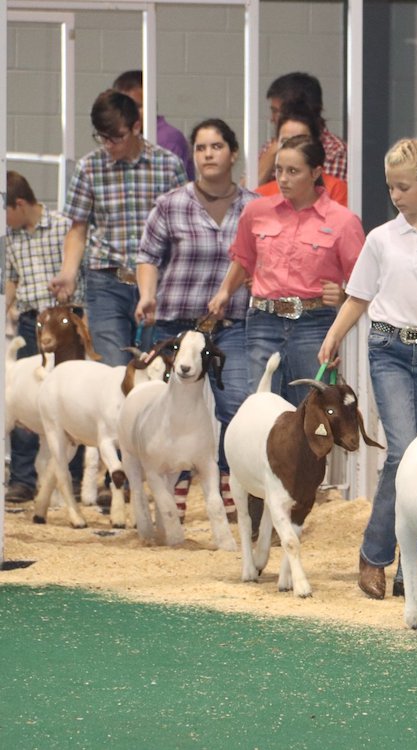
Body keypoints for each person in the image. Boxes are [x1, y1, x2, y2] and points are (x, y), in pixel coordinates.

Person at [318, 138, 417, 600]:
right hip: (387, 347)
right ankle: (375, 553)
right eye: (391, 187)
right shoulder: (381, 239)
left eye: (403, 187)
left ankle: (412, 566)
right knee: (400, 453)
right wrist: (334, 335)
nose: (396, 196)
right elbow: (359, 297)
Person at [136, 118, 257, 518]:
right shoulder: (170, 203)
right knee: (170, 406)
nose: (208, 154)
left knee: (235, 404)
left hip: (231, 325)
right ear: (193, 155)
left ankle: (228, 481)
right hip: (175, 325)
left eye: (217, 146)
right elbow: (148, 257)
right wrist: (147, 294)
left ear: (233, 153)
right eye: (201, 147)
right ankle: (179, 479)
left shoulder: (254, 207)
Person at [208, 134, 364, 406]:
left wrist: (341, 295)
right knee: (260, 405)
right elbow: (243, 258)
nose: (283, 179)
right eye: (279, 169)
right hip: (263, 319)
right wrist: (224, 292)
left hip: (314, 323)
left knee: (312, 408)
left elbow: (363, 284)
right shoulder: (256, 211)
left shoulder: (343, 221)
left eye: (293, 171)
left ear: (316, 172)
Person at [50, 89, 187, 365]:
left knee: (154, 365)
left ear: (136, 127)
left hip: (157, 281)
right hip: (106, 280)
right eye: (102, 137)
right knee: (112, 367)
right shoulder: (89, 167)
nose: (109, 144)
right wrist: (68, 273)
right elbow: (78, 229)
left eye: (117, 137)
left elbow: (182, 228)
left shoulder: (167, 165)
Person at [4, 171, 85, 503]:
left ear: (19, 203)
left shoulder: (64, 227)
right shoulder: (9, 238)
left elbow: (79, 271)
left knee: (71, 397)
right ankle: (23, 479)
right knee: (25, 396)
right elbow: (10, 279)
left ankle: (74, 477)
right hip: (29, 322)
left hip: (64, 324)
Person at [257, 72, 347, 185]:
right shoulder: (270, 147)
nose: (272, 119)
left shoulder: (335, 151)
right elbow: (245, 195)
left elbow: (324, 195)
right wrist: (274, 151)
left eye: (277, 112)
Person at [254, 103, 348, 207]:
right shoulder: (261, 195)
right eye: (284, 141)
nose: (291, 147)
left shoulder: (336, 188)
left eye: (299, 139)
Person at [113, 69, 195, 180]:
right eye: (122, 108)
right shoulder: (123, 138)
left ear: (151, 104)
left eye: (137, 106)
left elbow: (162, 186)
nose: (129, 113)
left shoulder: (167, 138)